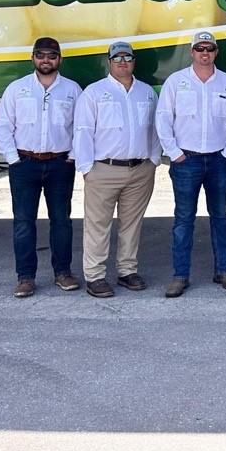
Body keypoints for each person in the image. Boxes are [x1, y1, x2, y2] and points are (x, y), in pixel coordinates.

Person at [156, 30, 226, 298]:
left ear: (216, 52)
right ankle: (180, 276)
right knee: (183, 220)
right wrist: (174, 152)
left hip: (219, 160)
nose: (205, 53)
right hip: (186, 161)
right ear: (192, 52)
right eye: (200, 49)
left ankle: (224, 271)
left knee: (220, 217)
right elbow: (163, 119)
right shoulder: (176, 82)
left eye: (210, 49)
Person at [0, 36, 82, 299]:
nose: (46, 60)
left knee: (61, 222)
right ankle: (25, 278)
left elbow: (82, 127)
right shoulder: (17, 89)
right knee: (23, 223)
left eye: (52, 55)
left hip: (59, 164)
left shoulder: (72, 90)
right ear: (32, 58)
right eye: (41, 55)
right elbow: (3, 126)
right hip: (25, 164)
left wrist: (73, 156)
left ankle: (63, 273)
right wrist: (13, 159)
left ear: (59, 59)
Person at [73, 41, 161, 298]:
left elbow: (155, 129)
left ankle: (127, 271)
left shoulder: (146, 92)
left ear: (134, 61)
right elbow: (83, 132)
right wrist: (88, 169)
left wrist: (154, 160)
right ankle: (95, 276)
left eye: (127, 58)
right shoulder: (94, 92)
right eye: (117, 58)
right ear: (109, 62)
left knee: (131, 224)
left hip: (140, 170)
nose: (123, 62)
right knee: (97, 225)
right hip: (104, 170)